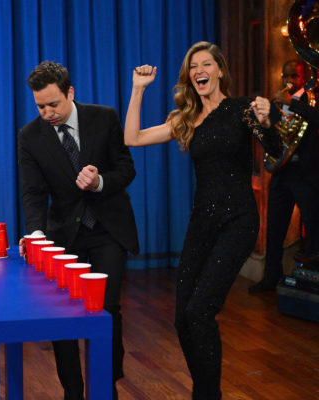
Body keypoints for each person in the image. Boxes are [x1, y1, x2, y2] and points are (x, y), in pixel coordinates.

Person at [123, 42, 282, 399]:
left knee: (200, 312)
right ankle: (205, 391)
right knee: (183, 318)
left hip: (238, 221)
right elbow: (132, 138)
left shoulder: (242, 109)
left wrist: (266, 120)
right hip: (202, 223)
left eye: (206, 64)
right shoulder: (187, 118)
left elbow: (275, 150)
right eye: (193, 66)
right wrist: (138, 89)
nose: (199, 71)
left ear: (220, 71)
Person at [17, 61, 139, 400]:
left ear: (70, 92)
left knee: (107, 309)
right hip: (63, 236)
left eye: (53, 104)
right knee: (62, 316)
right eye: (40, 106)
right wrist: (36, 234)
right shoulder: (29, 136)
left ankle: (106, 387)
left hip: (108, 230)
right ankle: (72, 391)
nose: (47, 113)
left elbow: (126, 169)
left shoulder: (104, 117)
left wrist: (100, 182)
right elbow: (33, 193)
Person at [249, 59, 319, 293]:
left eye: (294, 76)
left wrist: (292, 104)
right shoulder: (274, 103)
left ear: (304, 77)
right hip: (281, 173)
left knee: (313, 225)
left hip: (305, 174)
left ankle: (312, 281)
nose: (289, 80)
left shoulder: (310, 99)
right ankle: (271, 276)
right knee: (274, 228)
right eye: (285, 75)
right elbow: (269, 135)